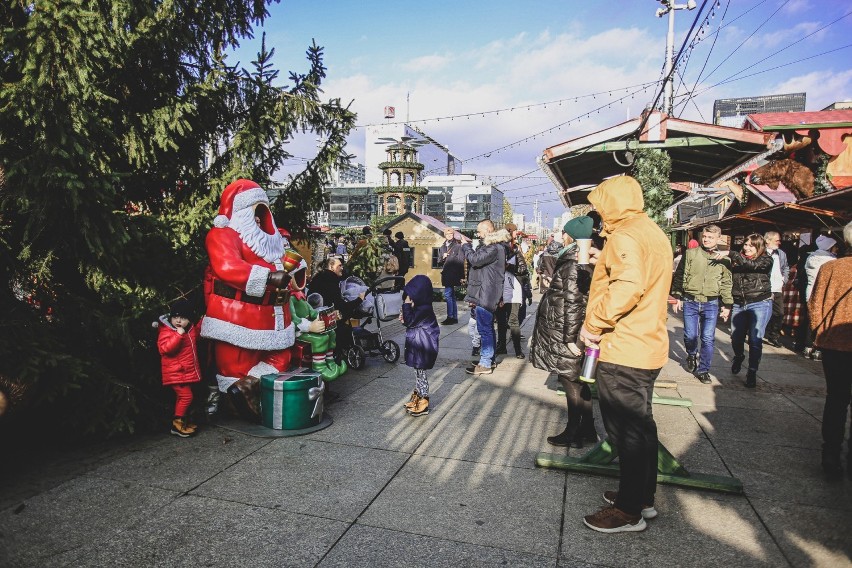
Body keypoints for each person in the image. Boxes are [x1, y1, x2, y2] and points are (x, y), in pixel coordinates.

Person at [578, 176, 672, 534]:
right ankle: (641, 497)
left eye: (601, 206)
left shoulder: (625, 235)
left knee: (626, 432)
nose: (599, 214)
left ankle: (628, 511)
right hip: (647, 343)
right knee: (642, 427)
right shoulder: (649, 231)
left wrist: (595, 324)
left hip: (625, 348)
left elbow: (629, 285)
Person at [530, 216, 596, 448]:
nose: (561, 235)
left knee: (571, 382)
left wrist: (571, 339)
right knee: (577, 381)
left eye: (563, 232)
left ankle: (574, 431)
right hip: (564, 327)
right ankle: (587, 430)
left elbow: (573, 301)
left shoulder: (572, 263)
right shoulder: (575, 259)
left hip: (564, 331)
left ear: (571, 236)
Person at [808, 221, 852, 478]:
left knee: (836, 399)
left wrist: (818, 335)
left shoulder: (830, 268)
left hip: (833, 342)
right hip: (836, 340)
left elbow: (815, 305)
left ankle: (831, 455)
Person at [670, 225, 732, 384]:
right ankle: (691, 354)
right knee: (690, 335)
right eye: (704, 236)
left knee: (708, 338)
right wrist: (677, 296)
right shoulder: (691, 254)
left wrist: (727, 304)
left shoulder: (724, 259)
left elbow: (726, 283)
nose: (706, 239)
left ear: (719, 238)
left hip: (711, 303)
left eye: (710, 237)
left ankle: (704, 370)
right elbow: (680, 275)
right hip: (691, 300)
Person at [716, 234, 773, 388]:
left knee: (755, 339)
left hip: (760, 302)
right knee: (736, 337)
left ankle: (752, 372)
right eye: (746, 245)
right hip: (739, 304)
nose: (747, 248)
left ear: (759, 247)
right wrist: (726, 304)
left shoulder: (766, 259)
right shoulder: (737, 259)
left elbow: (752, 265)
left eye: (751, 246)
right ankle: (739, 356)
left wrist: (731, 253)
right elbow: (728, 282)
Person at [461, 219, 508, 375]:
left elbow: (475, 260)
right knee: (487, 329)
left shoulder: (493, 247)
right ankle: (488, 358)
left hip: (486, 294)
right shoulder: (495, 247)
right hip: (486, 292)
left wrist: (466, 246)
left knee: (485, 330)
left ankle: (486, 363)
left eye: (480, 231)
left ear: (488, 230)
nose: (478, 234)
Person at [158, 299, 202, 438]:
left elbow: (198, 333)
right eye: (175, 317)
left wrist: (206, 319)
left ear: (189, 320)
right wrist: (178, 335)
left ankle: (182, 422)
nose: (178, 321)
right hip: (175, 373)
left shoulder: (190, 330)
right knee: (186, 396)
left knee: (182, 397)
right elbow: (165, 349)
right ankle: (177, 425)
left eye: (183, 318)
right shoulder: (167, 331)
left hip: (183, 372)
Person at [400, 275, 440, 417]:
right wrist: (405, 316)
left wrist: (406, 306)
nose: (408, 298)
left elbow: (411, 321)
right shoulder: (420, 307)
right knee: (418, 375)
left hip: (423, 348)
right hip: (418, 346)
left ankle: (424, 401)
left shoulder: (424, 308)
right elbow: (410, 322)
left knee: (421, 376)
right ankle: (417, 396)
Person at [804, 234, 839, 361]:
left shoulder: (811, 257)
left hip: (810, 292)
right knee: (823, 322)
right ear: (829, 248)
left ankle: (808, 347)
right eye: (834, 247)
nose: (836, 249)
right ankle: (818, 350)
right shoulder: (831, 261)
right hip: (824, 294)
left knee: (811, 320)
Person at [496, 223, 529, 359]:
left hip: (513, 290)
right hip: (499, 289)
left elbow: (523, 269)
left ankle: (517, 350)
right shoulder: (497, 250)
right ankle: (501, 346)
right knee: (501, 321)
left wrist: (509, 266)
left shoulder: (515, 250)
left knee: (513, 321)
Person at [763, 231, 789, 347]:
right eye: (777, 240)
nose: (779, 242)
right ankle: (757, 334)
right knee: (762, 313)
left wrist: (784, 280)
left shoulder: (781, 254)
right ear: (767, 240)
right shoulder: (761, 253)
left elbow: (786, 267)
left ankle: (773, 336)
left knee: (779, 313)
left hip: (777, 287)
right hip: (764, 288)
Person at [437, 226, 465, 325]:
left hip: (453, 274)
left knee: (448, 295)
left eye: (451, 234)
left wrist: (462, 276)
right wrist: (443, 257)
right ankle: (454, 317)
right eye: (447, 234)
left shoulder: (457, 246)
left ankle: (450, 317)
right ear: (445, 235)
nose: (449, 235)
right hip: (446, 274)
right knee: (451, 296)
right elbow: (439, 261)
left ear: (453, 235)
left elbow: (461, 261)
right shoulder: (442, 246)